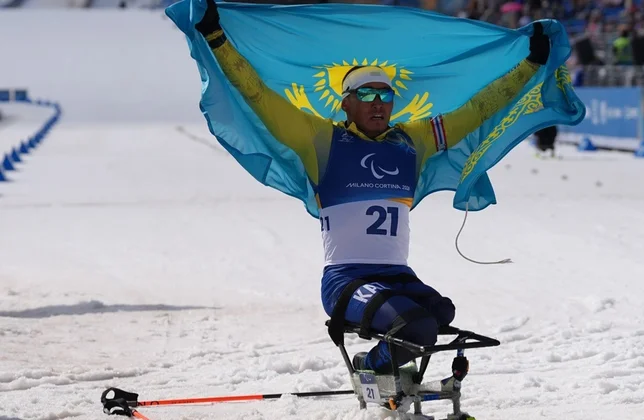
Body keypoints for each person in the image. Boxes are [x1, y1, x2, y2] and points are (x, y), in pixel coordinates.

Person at [194, 0, 550, 374]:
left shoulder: (415, 141)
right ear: (346, 103)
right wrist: (217, 38)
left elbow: (479, 109)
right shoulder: (320, 140)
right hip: (347, 279)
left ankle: (390, 368)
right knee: (416, 327)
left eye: (385, 95)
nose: (378, 103)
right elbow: (258, 96)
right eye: (365, 95)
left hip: (397, 278)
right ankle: (370, 368)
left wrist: (530, 65)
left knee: (441, 312)